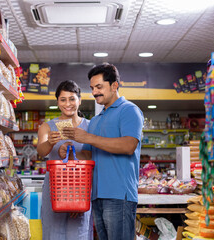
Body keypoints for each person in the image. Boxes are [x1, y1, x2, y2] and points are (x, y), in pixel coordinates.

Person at [60, 63, 144, 240]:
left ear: (114, 85)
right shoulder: (96, 121)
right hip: (97, 195)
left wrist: (87, 138)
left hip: (120, 195)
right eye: (92, 88)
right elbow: (89, 155)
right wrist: (69, 152)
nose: (94, 92)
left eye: (99, 87)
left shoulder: (129, 110)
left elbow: (129, 145)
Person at [37, 80, 93, 240]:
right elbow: (41, 151)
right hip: (55, 191)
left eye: (72, 99)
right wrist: (50, 143)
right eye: (63, 99)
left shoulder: (90, 126)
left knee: (79, 234)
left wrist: (77, 197)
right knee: (53, 234)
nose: (68, 103)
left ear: (79, 100)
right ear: (57, 102)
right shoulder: (47, 127)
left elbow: (93, 157)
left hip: (81, 190)